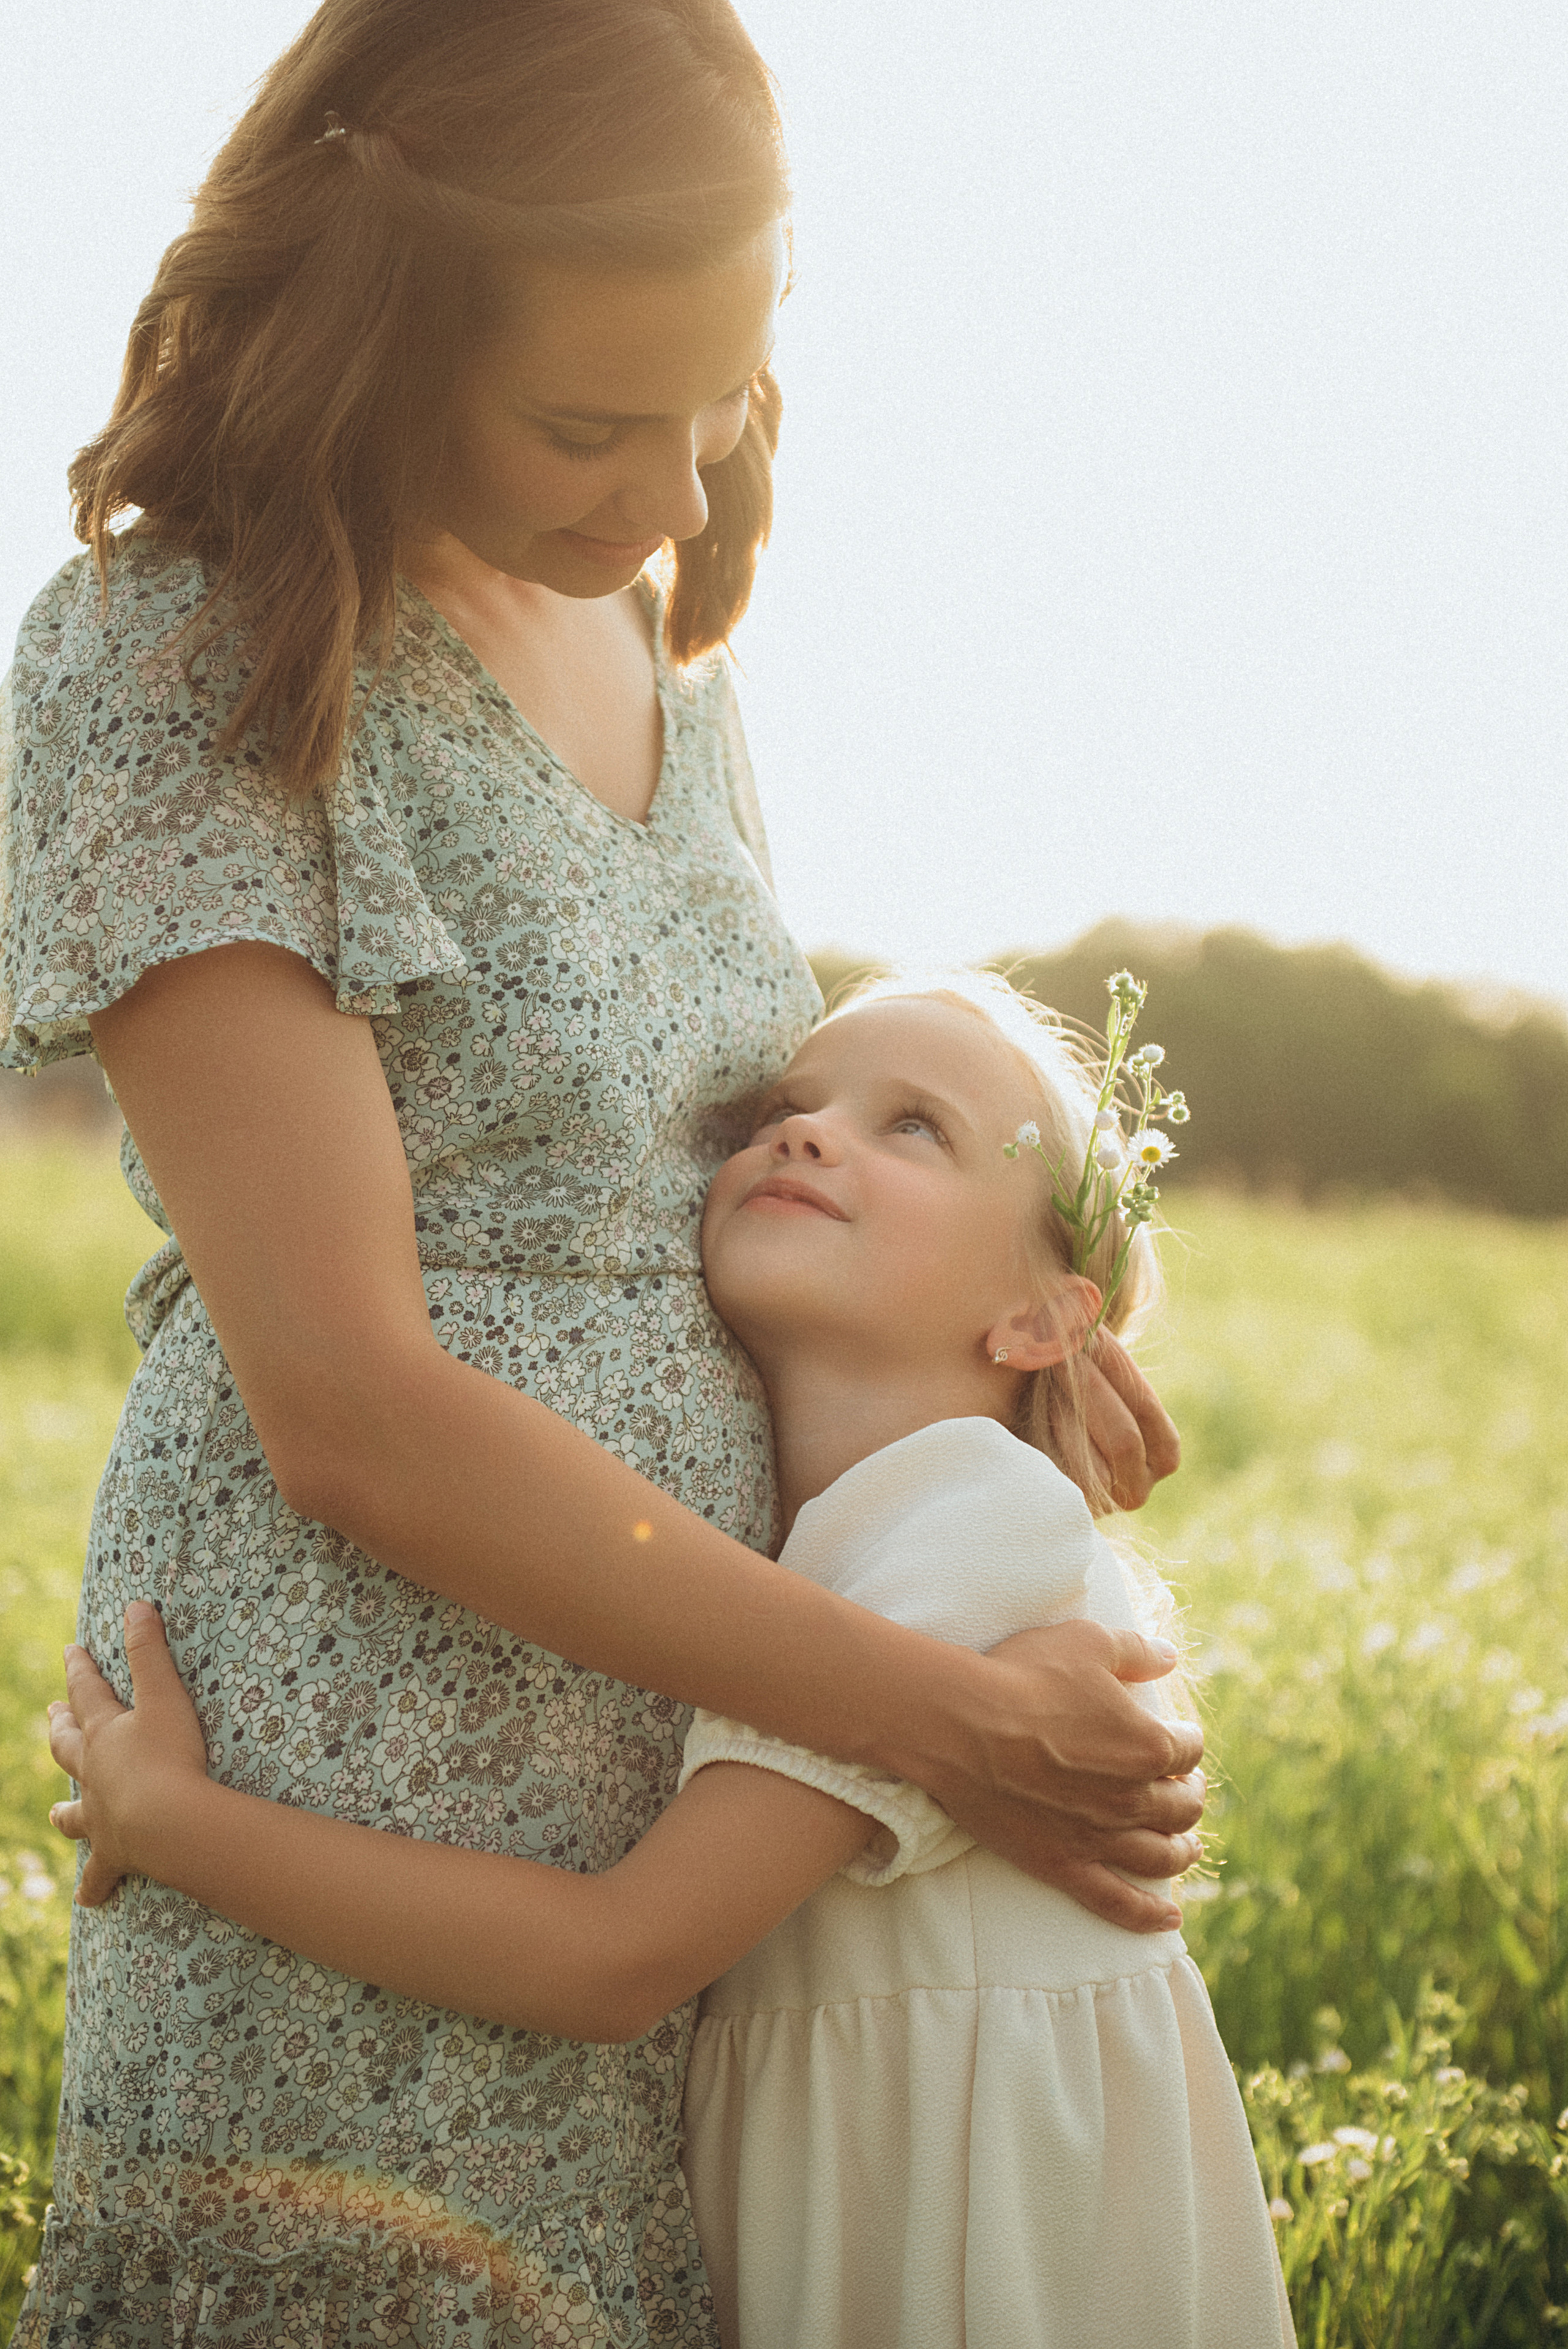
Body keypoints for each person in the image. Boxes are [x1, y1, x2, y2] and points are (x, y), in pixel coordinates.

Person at [2, 4, 1200, 2341]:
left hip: (715, 1794)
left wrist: (993, 1397)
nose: (666, 494)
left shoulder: (662, 640)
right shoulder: (179, 651)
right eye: (586, 422)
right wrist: (935, 1713)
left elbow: (721, 1165)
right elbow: (350, 1405)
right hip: (364, 1763)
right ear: (377, 325)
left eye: (716, 400)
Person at [48, 973, 1292, 2349]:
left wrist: (178, 1823)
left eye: (914, 1126)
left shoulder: (965, 1526)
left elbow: (610, 1958)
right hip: (867, 2181)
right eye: (783, 1108)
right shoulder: (817, 1544)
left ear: (1045, 1321)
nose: (806, 1133)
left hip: (983, 2230)